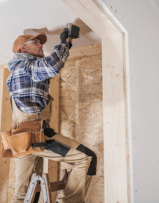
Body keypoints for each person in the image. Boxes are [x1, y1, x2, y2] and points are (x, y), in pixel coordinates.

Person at [6, 31, 97, 203]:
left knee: (25, 193)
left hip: (21, 140)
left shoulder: (14, 73)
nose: (41, 45)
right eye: (36, 42)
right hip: (36, 136)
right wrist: (65, 43)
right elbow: (51, 66)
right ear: (22, 48)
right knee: (86, 158)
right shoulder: (26, 64)